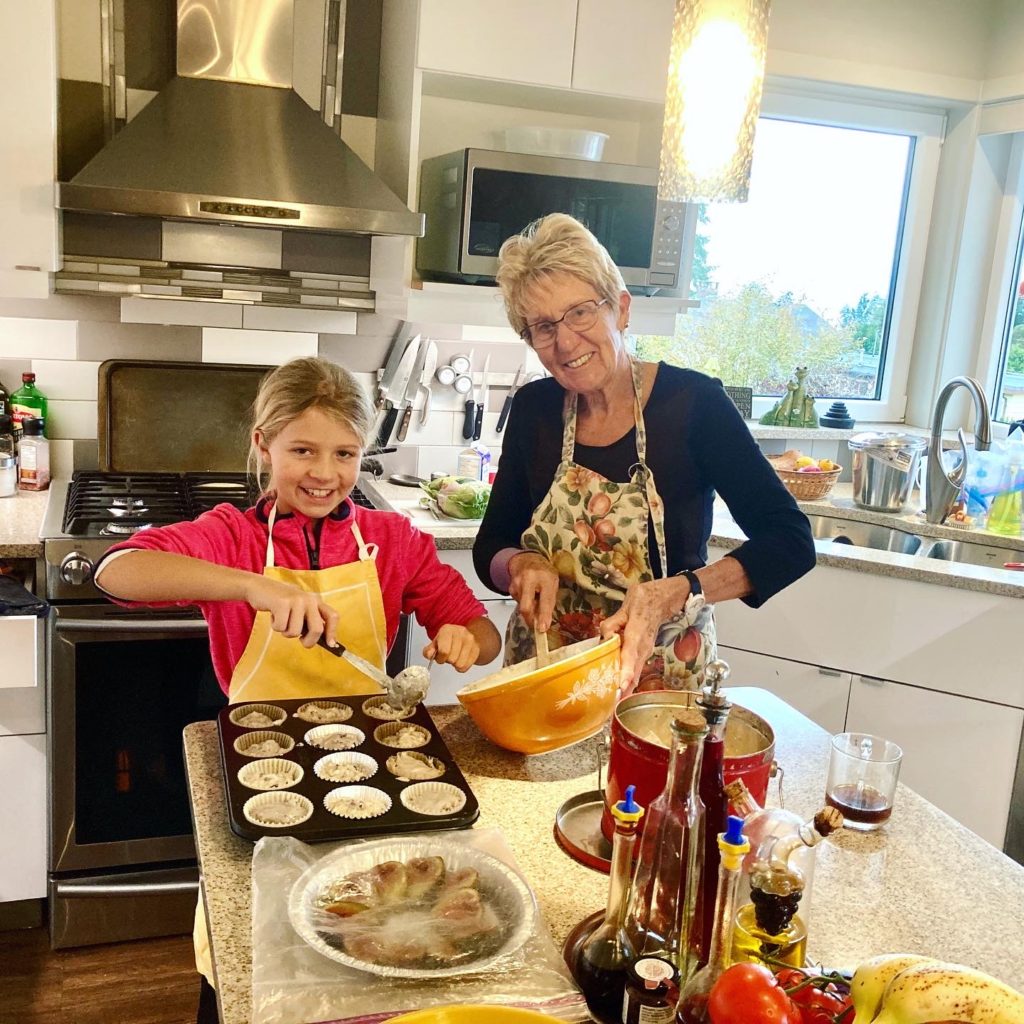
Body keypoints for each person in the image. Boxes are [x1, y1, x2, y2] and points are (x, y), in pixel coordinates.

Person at [95, 356, 501, 1006]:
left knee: (361, 947)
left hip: (369, 774)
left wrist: (464, 638)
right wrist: (252, 586)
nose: (323, 473)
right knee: (252, 963)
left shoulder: (392, 540)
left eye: (343, 453)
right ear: (264, 444)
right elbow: (116, 570)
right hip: (263, 770)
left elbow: (481, 632)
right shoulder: (230, 535)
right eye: (302, 450)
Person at [473, 213, 815, 693]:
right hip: (547, 677)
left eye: (580, 312)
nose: (565, 340)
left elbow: (791, 541)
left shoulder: (693, 405)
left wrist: (681, 591)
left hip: (661, 686)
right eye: (543, 327)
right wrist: (521, 564)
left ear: (622, 309)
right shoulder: (534, 410)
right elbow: (490, 545)